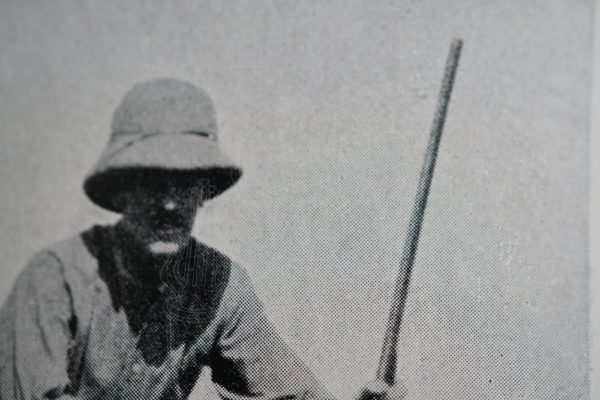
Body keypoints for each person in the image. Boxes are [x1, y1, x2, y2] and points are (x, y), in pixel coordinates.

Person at [0, 78, 407, 400]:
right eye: (154, 180)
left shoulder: (219, 285)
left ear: (205, 192)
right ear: (122, 189)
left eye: (187, 183)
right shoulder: (54, 279)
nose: (173, 204)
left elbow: (289, 394)